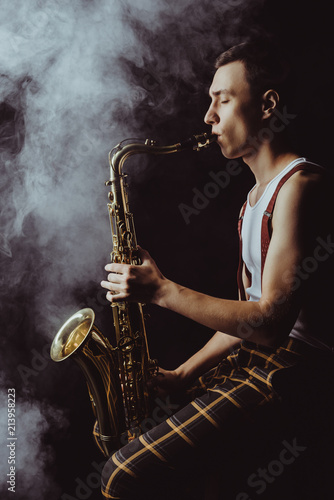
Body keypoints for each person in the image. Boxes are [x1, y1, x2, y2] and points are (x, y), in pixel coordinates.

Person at [99, 40, 334, 499]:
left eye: (221, 100)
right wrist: (184, 373)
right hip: (261, 362)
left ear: (267, 105)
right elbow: (245, 314)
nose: (208, 117)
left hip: (299, 373)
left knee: (120, 476)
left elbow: (269, 325)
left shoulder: (303, 186)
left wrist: (162, 291)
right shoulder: (251, 203)